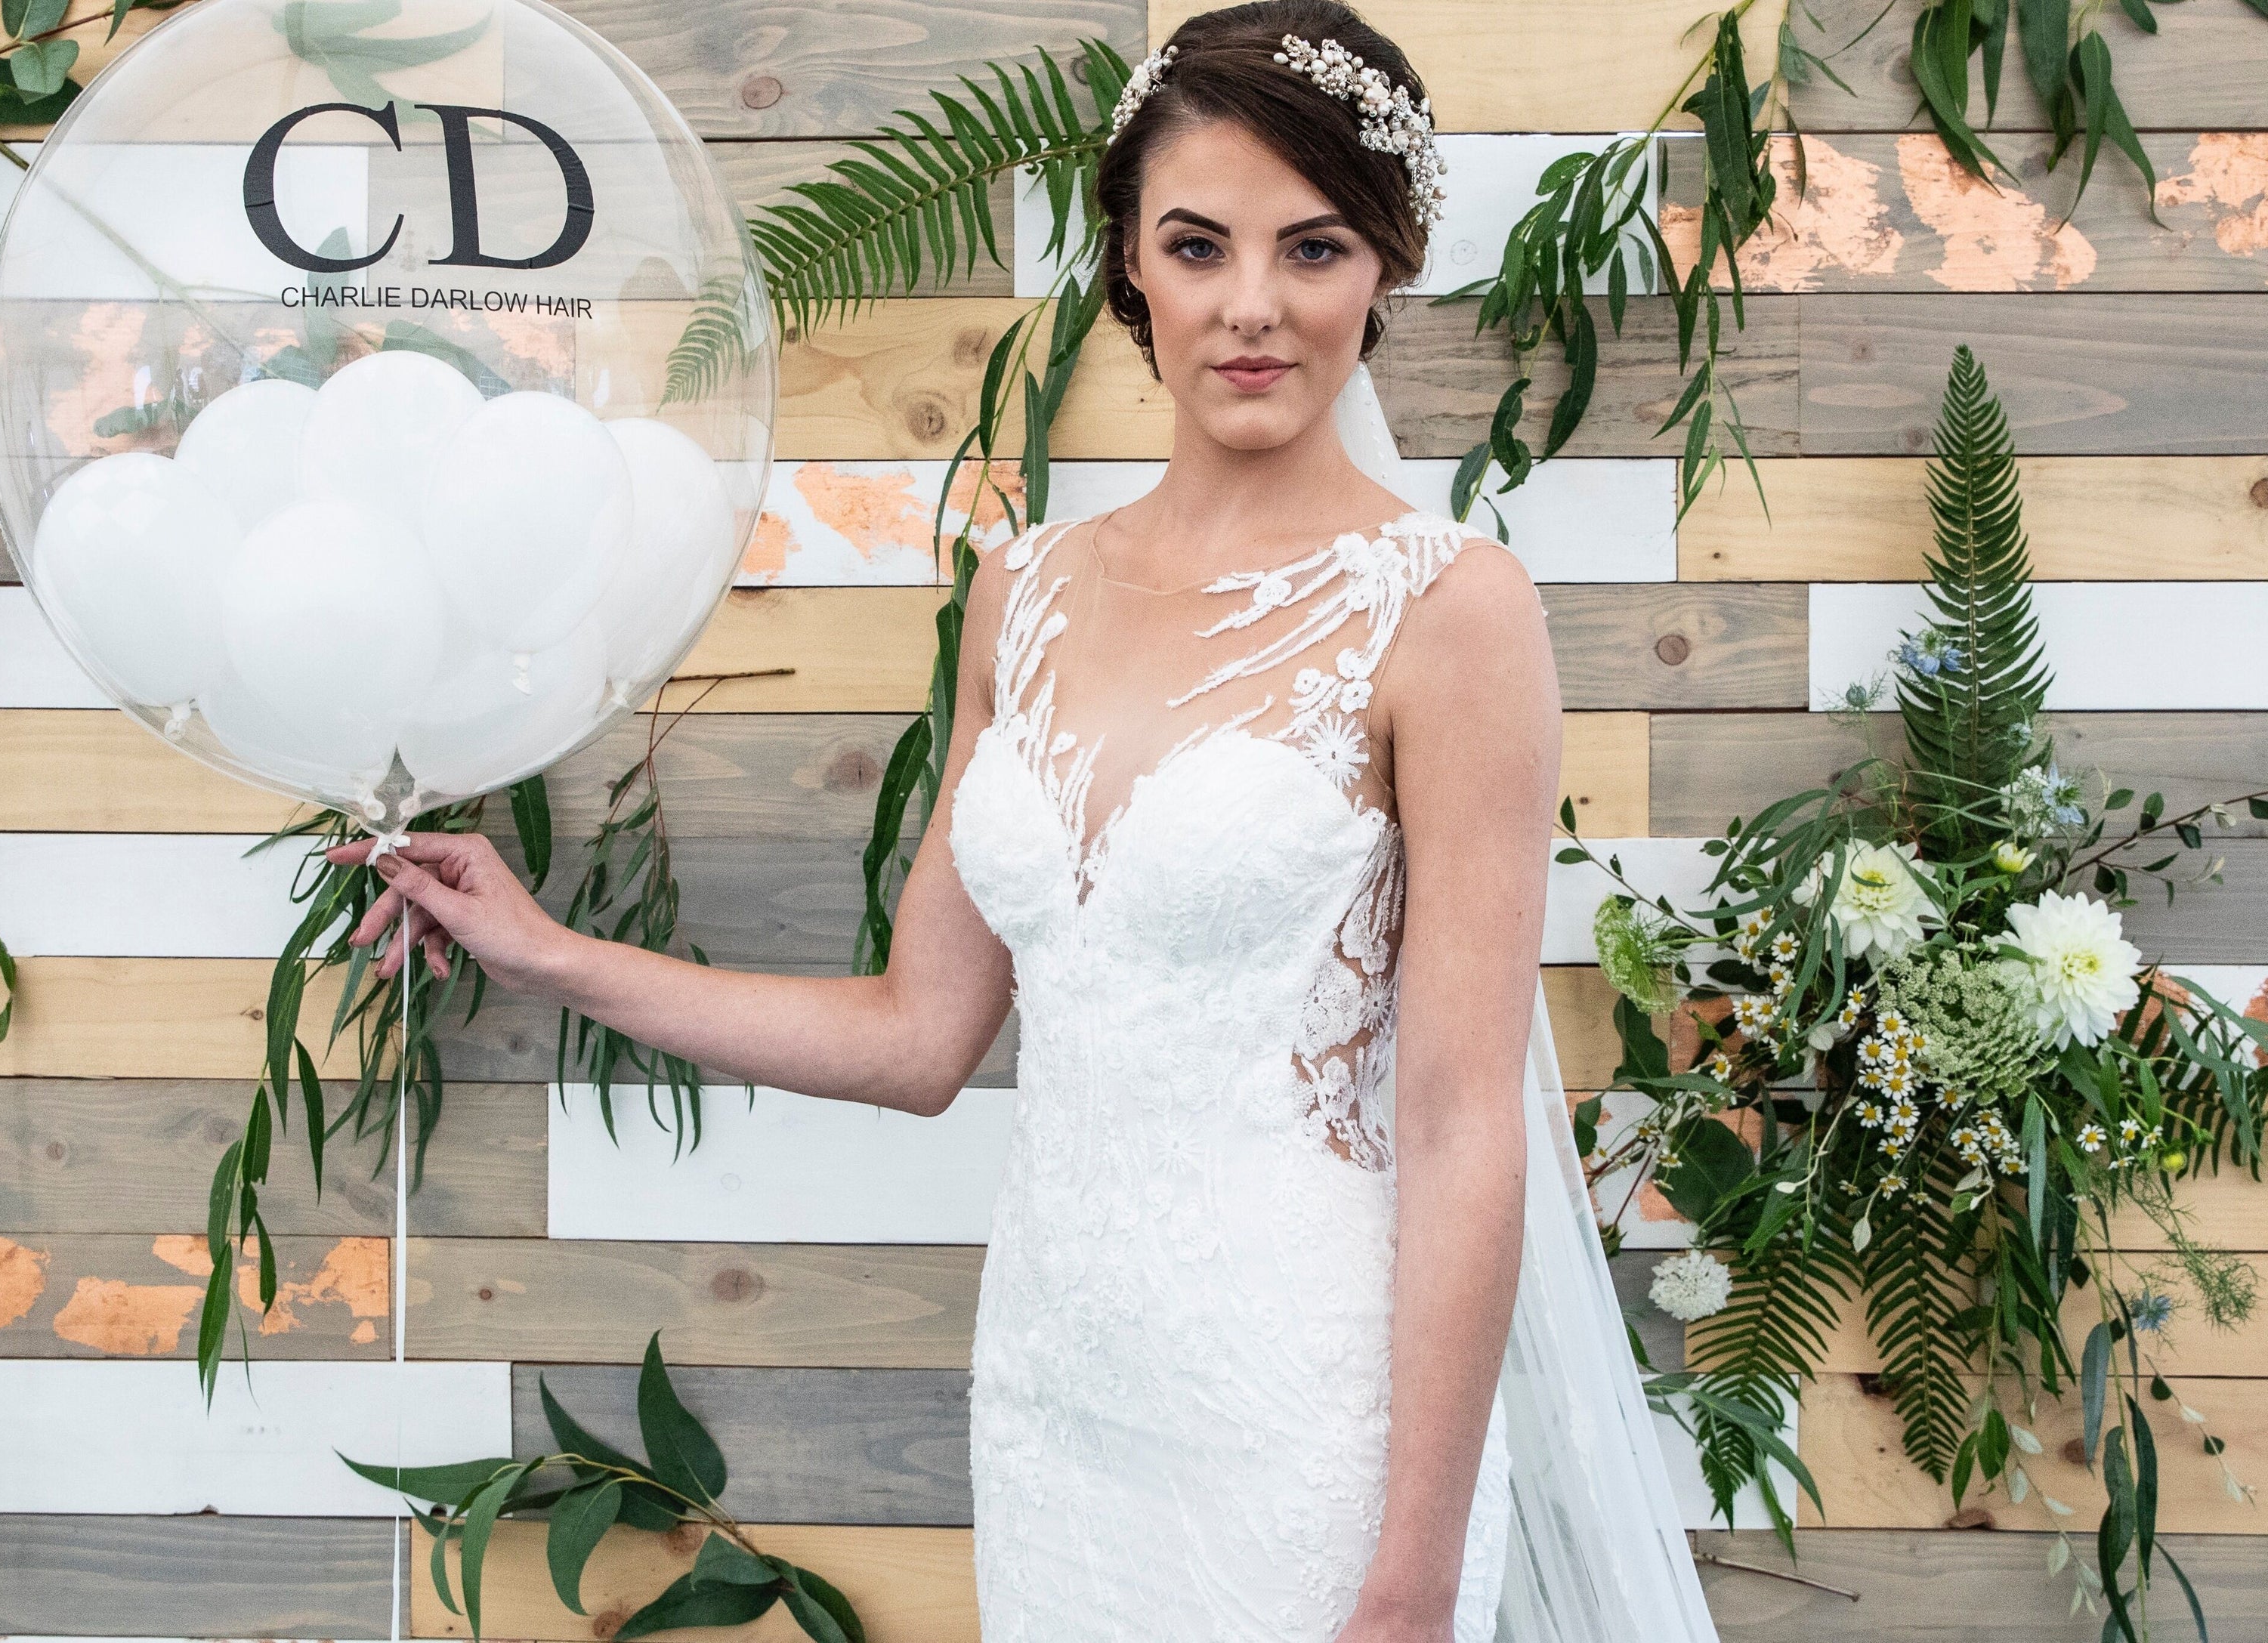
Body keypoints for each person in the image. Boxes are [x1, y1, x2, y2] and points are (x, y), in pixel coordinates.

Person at [329, 5, 1718, 1639]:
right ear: (1131, 261)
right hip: (1061, 1401)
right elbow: (920, 1036)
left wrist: (1411, 1578)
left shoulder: (1453, 611)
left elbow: (1465, 1124)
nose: (1252, 305)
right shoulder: (1026, 591)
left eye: (1314, 246)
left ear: (1385, 265)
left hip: (1311, 1420)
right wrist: (549, 951)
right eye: (1198, 245)